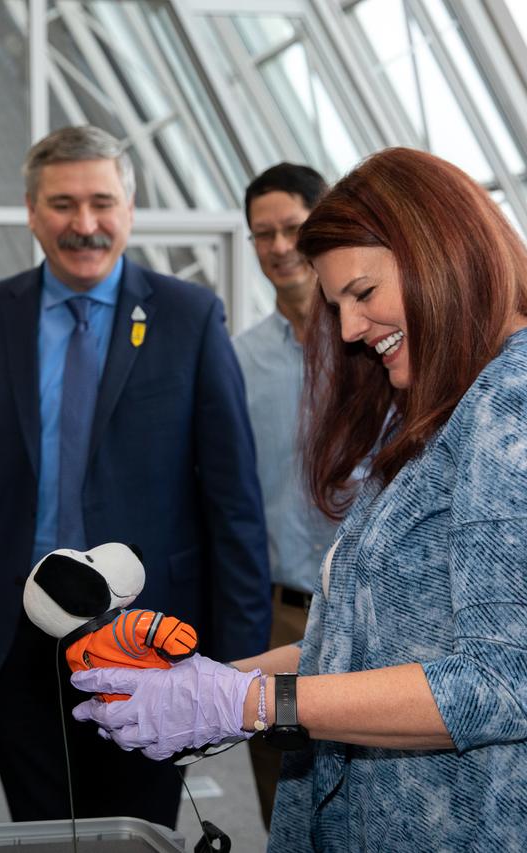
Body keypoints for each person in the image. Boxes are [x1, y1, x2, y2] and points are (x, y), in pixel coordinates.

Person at [71, 148, 527, 850]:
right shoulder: (437, 408)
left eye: (363, 292)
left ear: (440, 254)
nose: (352, 328)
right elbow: (370, 641)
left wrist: (248, 702)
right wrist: (207, 682)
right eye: (339, 307)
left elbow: (498, 681)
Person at [0, 125, 271, 828]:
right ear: (30, 210)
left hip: (146, 637)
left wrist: (240, 662)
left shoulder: (189, 317)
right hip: (13, 636)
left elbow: (233, 500)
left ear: (130, 210)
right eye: (63, 204)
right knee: (41, 832)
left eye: (102, 202)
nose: (84, 224)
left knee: (138, 831)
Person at [234, 162, 339, 827]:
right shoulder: (235, 361)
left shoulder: (381, 349)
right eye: (262, 235)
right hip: (278, 616)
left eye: (293, 229)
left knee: (374, 798)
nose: (278, 247)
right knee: (286, 806)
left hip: (374, 614)